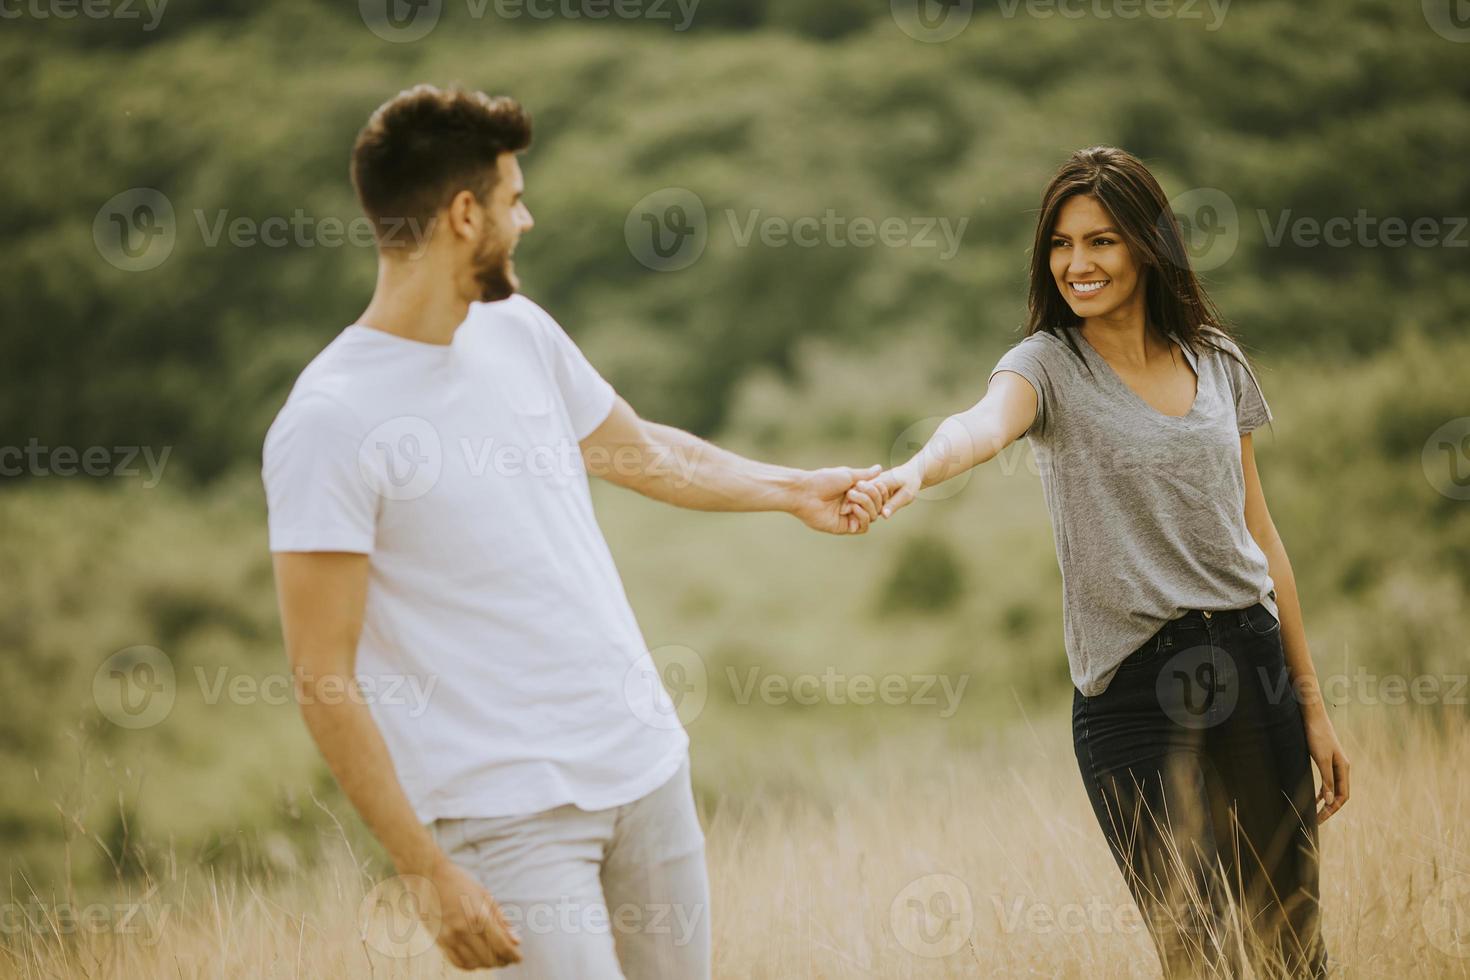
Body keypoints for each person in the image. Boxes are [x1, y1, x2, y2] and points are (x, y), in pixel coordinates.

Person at [262, 84, 880, 978]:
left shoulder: (517, 330)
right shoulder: (328, 419)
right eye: (515, 200)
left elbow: (646, 456)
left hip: (644, 767)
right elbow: (321, 673)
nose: (530, 218)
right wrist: (425, 872)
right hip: (505, 821)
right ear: (465, 214)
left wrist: (794, 488)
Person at [848, 146, 1347, 978]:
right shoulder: (1048, 365)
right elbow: (979, 425)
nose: (1077, 264)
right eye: (1061, 245)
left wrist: (1314, 706)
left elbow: (1260, 531)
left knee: (1294, 952)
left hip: (1254, 669)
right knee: (1201, 957)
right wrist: (911, 471)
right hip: (1133, 697)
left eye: (1103, 241)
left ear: (1150, 245)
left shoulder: (1217, 359)